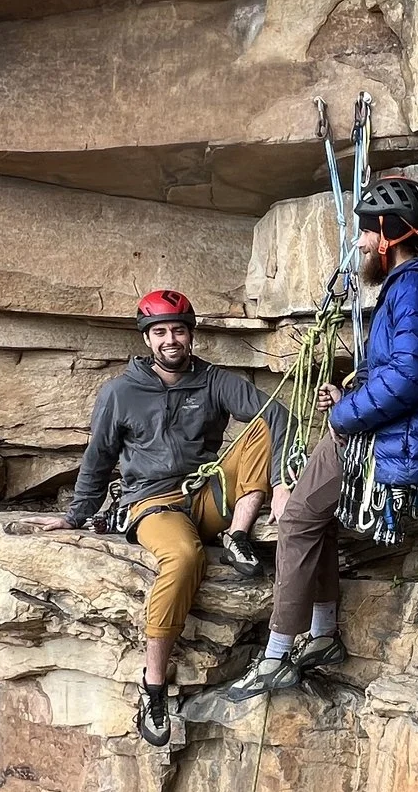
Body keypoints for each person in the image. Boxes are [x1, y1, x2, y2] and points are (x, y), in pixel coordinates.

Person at [221, 171, 418, 700]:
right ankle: (322, 635)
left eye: (364, 232)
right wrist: (353, 390)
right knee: (318, 520)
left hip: (378, 440)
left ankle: (277, 655)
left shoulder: (415, 287)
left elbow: (413, 375)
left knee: (294, 521)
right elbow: (405, 366)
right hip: (380, 430)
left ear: (389, 234)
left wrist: (344, 415)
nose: (358, 244)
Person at [37, 289, 274, 747]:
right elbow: (99, 457)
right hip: (153, 503)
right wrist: (75, 516)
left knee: (265, 423)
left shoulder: (213, 381)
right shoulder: (120, 393)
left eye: (179, 331)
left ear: (191, 335)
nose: (171, 339)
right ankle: (154, 687)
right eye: (161, 331)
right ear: (148, 339)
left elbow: (276, 416)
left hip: (207, 493)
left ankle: (239, 535)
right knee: (185, 558)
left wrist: (280, 485)